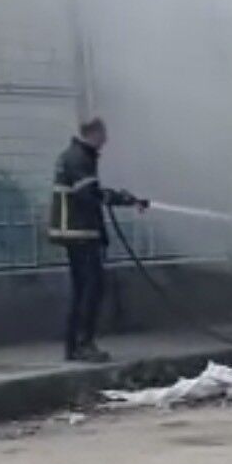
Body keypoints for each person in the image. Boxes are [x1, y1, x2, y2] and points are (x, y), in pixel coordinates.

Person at [49, 118, 147, 362]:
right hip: (80, 232)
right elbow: (89, 195)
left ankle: (74, 346)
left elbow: (91, 193)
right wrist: (122, 199)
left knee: (82, 290)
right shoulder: (79, 158)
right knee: (91, 289)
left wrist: (124, 199)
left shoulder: (75, 155)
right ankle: (84, 344)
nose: (106, 141)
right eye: (103, 135)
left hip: (76, 233)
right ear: (93, 133)